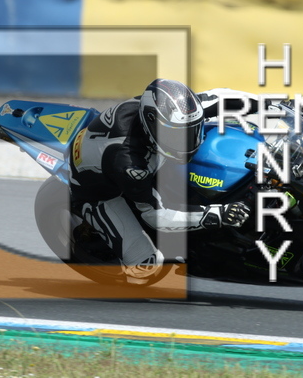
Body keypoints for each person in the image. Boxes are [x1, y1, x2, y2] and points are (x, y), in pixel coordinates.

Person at [69, 78, 254, 283]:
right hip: (101, 191)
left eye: (191, 130)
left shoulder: (172, 115)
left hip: (147, 160)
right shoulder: (130, 163)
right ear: (152, 124)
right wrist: (217, 215)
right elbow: (155, 216)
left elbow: (222, 97)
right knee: (146, 269)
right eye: (176, 135)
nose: (186, 142)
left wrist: (274, 105)